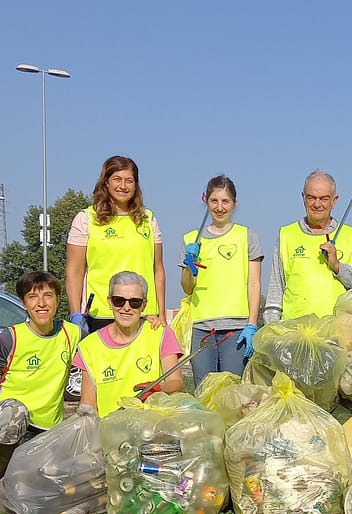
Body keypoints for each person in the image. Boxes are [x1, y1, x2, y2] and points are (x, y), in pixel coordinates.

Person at [0, 271, 81, 478]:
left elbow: (107, 343)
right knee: (16, 411)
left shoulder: (72, 334)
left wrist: (146, 318)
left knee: (58, 477)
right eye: (32, 297)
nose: (41, 303)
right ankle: (6, 471)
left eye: (48, 296)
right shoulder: (10, 338)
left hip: (45, 431)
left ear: (58, 300)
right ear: (24, 303)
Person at [66, 155, 166, 333]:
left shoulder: (148, 219)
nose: (123, 186)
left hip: (144, 314)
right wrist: (75, 313)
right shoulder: (86, 218)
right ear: (106, 182)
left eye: (129, 180)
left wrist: (162, 315)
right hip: (101, 315)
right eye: (117, 179)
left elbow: (158, 269)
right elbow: (75, 271)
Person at [180, 175, 264, 385]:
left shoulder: (247, 236)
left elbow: (254, 283)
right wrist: (190, 265)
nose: (219, 207)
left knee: (233, 393)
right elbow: (187, 288)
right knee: (204, 390)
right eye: (214, 201)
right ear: (205, 200)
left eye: (225, 201)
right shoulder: (191, 238)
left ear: (235, 204)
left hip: (236, 328)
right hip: (202, 328)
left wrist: (252, 324)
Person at [263, 170, 352, 322]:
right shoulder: (286, 234)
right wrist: (271, 329)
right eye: (311, 198)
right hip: (295, 333)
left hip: (337, 333)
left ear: (334, 201)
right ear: (303, 198)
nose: (317, 204)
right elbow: (276, 289)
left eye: (324, 199)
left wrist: (337, 267)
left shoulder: (350, 234)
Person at [74, 272, 184, 418]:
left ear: (144, 305)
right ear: (109, 302)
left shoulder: (161, 333)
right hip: (110, 432)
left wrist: (158, 387)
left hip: (153, 430)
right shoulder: (89, 346)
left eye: (134, 302)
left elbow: (176, 382)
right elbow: (88, 403)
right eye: (119, 301)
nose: (126, 308)